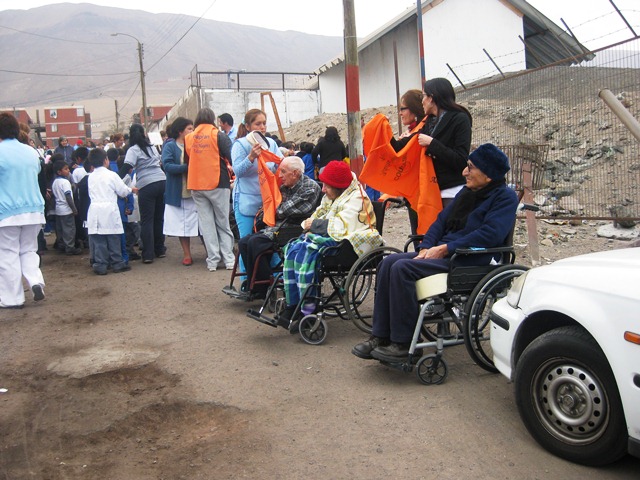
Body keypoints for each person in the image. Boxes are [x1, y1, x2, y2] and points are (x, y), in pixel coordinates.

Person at [352, 144, 518, 361]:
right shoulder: (467, 193)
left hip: (470, 259)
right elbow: (440, 222)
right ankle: (380, 336)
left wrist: (445, 248)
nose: (464, 172)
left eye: (470, 167)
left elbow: (489, 235)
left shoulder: (505, 198)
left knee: (402, 268)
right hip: (446, 253)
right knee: (387, 263)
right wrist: (425, 247)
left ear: (488, 175)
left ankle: (403, 343)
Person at [279, 160, 382, 333]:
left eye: (327, 186)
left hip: (351, 246)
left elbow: (341, 227)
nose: (323, 190)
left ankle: (308, 308)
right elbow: (318, 214)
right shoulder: (333, 195)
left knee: (307, 251)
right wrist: (312, 224)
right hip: (334, 240)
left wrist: (314, 225)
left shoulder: (357, 199)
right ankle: (293, 303)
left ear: (338, 186)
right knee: (294, 248)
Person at [236, 156, 321, 299]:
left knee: (255, 243)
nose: (280, 175)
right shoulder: (285, 187)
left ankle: (263, 287)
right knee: (244, 242)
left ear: (295, 173)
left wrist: (272, 209)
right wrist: (270, 209)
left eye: (283, 171)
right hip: (279, 226)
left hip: (294, 229)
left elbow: (284, 210)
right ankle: (255, 284)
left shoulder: (310, 187)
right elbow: (274, 206)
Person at [0, 112, 46, 308]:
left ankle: (13, 299)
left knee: (8, 254)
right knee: (29, 250)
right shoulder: (31, 152)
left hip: (7, 212)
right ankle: (35, 281)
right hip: (34, 209)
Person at [184, 107, 235, 271]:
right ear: (212, 119)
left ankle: (212, 260)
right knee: (223, 222)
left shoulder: (189, 138)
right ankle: (229, 259)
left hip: (196, 184)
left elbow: (188, 159)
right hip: (218, 182)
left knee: (206, 224)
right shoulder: (218, 135)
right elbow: (232, 157)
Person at [231, 108, 284, 241]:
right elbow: (238, 172)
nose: (262, 127)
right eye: (258, 124)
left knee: (266, 243)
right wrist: (251, 157)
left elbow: (280, 165)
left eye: (264, 123)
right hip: (246, 201)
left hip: (267, 202)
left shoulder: (271, 143)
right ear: (248, 126)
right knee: (246, 242)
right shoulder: (240, 145)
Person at [120, 123, 166, 264]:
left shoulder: (133, 150)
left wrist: (115, 180)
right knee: (158, 218)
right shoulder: (152, 147)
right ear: (144, 134)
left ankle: (148, 254)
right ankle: (160, 249)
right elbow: (160, 163)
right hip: (162, 181)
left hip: (147, 185)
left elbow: (126, 168)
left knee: (147, 220)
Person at [86, 148, 137, 275]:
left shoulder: (90, 177)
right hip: (109, 209)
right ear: (106, 160)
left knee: (99, 240)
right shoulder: (112, 175)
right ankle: (117, 263)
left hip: (95, 209)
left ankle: (101, 265)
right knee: (113, 238)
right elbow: (122, 191)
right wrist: (131, 190)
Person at [162, 116, 198, 266]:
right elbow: (167, 166)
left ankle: (212, 252)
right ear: (180, 131)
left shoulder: (196, 144)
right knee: (181, 225)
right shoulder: (170, 146)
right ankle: (187, 254)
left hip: (195, 191)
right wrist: (186, 168)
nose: (192, 131)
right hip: (178, 191)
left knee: (200, 223)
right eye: (189, 129)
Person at [51, 160, 82, 255]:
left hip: (58, 209)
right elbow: (68, 196)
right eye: (65, 169)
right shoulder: (65, 182)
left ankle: (61, 245)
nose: (68, 170)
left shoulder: (55, 182)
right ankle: (70, 247)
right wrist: (74, 209)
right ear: (59, 172)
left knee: (60, 229)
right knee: (69, 229)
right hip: (67, 210)